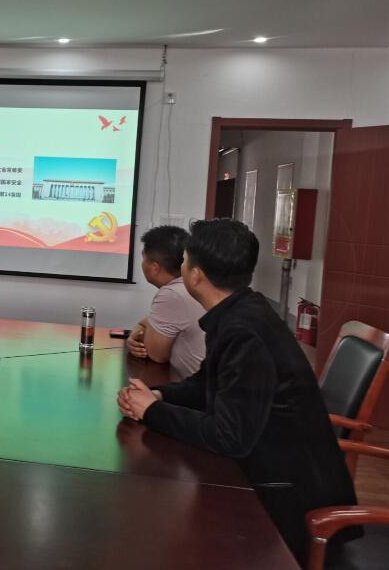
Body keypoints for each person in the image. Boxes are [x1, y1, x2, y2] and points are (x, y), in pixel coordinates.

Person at [117, 218, 357, 565]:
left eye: (184, 261)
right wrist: (159, 397)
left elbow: (229, 436)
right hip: (269, 472)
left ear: (196, 275)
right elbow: (206, 383)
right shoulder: (240, 312)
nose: (181, 267)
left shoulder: (245, 331)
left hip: (288, 503)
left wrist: (152, 412)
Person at [126, 225, 205, 378]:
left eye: (144, 259)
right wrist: (139, 328)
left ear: (155, 268)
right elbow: (150, 323)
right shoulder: (189, 286)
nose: (142, 264)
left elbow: (156, 354)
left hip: (193, 388)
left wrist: (138, 334)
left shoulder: (171, 295)